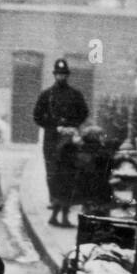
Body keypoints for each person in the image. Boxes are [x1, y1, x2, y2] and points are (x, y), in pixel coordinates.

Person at [32, 58, 90, 227]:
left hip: (69, 140)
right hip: (52, 138)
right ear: (54, 75)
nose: (61, 77)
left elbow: (84, 112)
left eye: (63, 74)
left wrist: (72, 126)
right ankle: (53, 199)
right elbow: (37, 116)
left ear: (67, 76)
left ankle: (62, 202)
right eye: (58, 74)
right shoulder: (46, 95)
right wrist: (53, 127)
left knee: (66, 173)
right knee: (51, 170)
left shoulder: (75, 94)